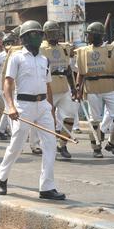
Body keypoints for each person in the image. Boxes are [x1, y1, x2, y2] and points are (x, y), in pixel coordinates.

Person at [0, 20, 65, 200]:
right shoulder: (16, 57)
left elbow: (48, 86)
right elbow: (8, 83)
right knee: (16, 146)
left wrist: (50, 109)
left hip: (43, 105)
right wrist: (10, 106)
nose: (37, 37)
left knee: (50, 145)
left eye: (39, 34)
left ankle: (47, 187)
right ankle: (2, 177)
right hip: (23, 106)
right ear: (25, 38)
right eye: (33, 34)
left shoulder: (44, 59)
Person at [75, 22, 114, 158]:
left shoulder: (112, 50)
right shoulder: (83, 52)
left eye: (89, 34)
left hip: (110, 87)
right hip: (92, 88)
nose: (87, 37)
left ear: (96, 36)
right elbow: (80, 74)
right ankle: (96, 148)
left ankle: (111, 144)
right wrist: (78, 89)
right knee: (94, 120)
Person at [40, 20, 78, 159]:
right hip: (47, 89)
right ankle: (49, 146)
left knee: (70, 116)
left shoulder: (64, 48)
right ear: (45, 34)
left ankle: (62, 144)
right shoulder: (40, 48)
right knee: (49, 121)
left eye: (56, 32)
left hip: (63, 88)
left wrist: (73, 88)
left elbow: (68, 69)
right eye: (51, 32)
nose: (54, 34)